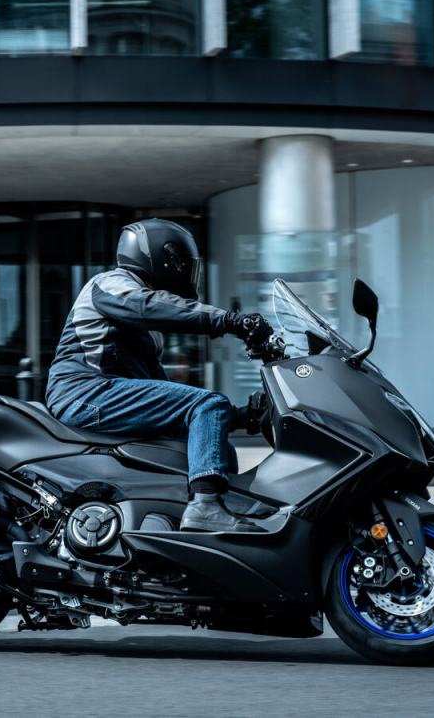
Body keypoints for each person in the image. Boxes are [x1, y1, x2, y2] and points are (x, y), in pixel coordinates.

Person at [44, 219, 275, 532]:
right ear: (164, 257)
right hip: (85, 392)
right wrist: (231, 321)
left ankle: (210, 516)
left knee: (222, 447)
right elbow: (150, 306)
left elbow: (168, 399)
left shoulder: (147, 329)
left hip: (106, 395)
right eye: (185, 264)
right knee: (209, 402)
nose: (188, 273)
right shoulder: (111, 283)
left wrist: (241, 416)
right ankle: (205, 507)